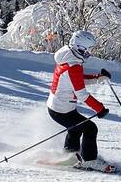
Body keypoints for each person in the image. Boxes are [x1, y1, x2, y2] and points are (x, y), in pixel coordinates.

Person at [47, 30, 113, 171]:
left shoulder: (68, 57)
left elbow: (77, 81)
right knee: (90, 128)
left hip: (59, 107)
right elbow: (82, 94)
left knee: (76, 129)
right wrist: (99, 109)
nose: (90, 52)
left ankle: (70, 155)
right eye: (89, 49)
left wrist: (98, 78)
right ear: (81, 48)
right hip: (61, 109)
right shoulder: (73, 65)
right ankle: (89, 161)